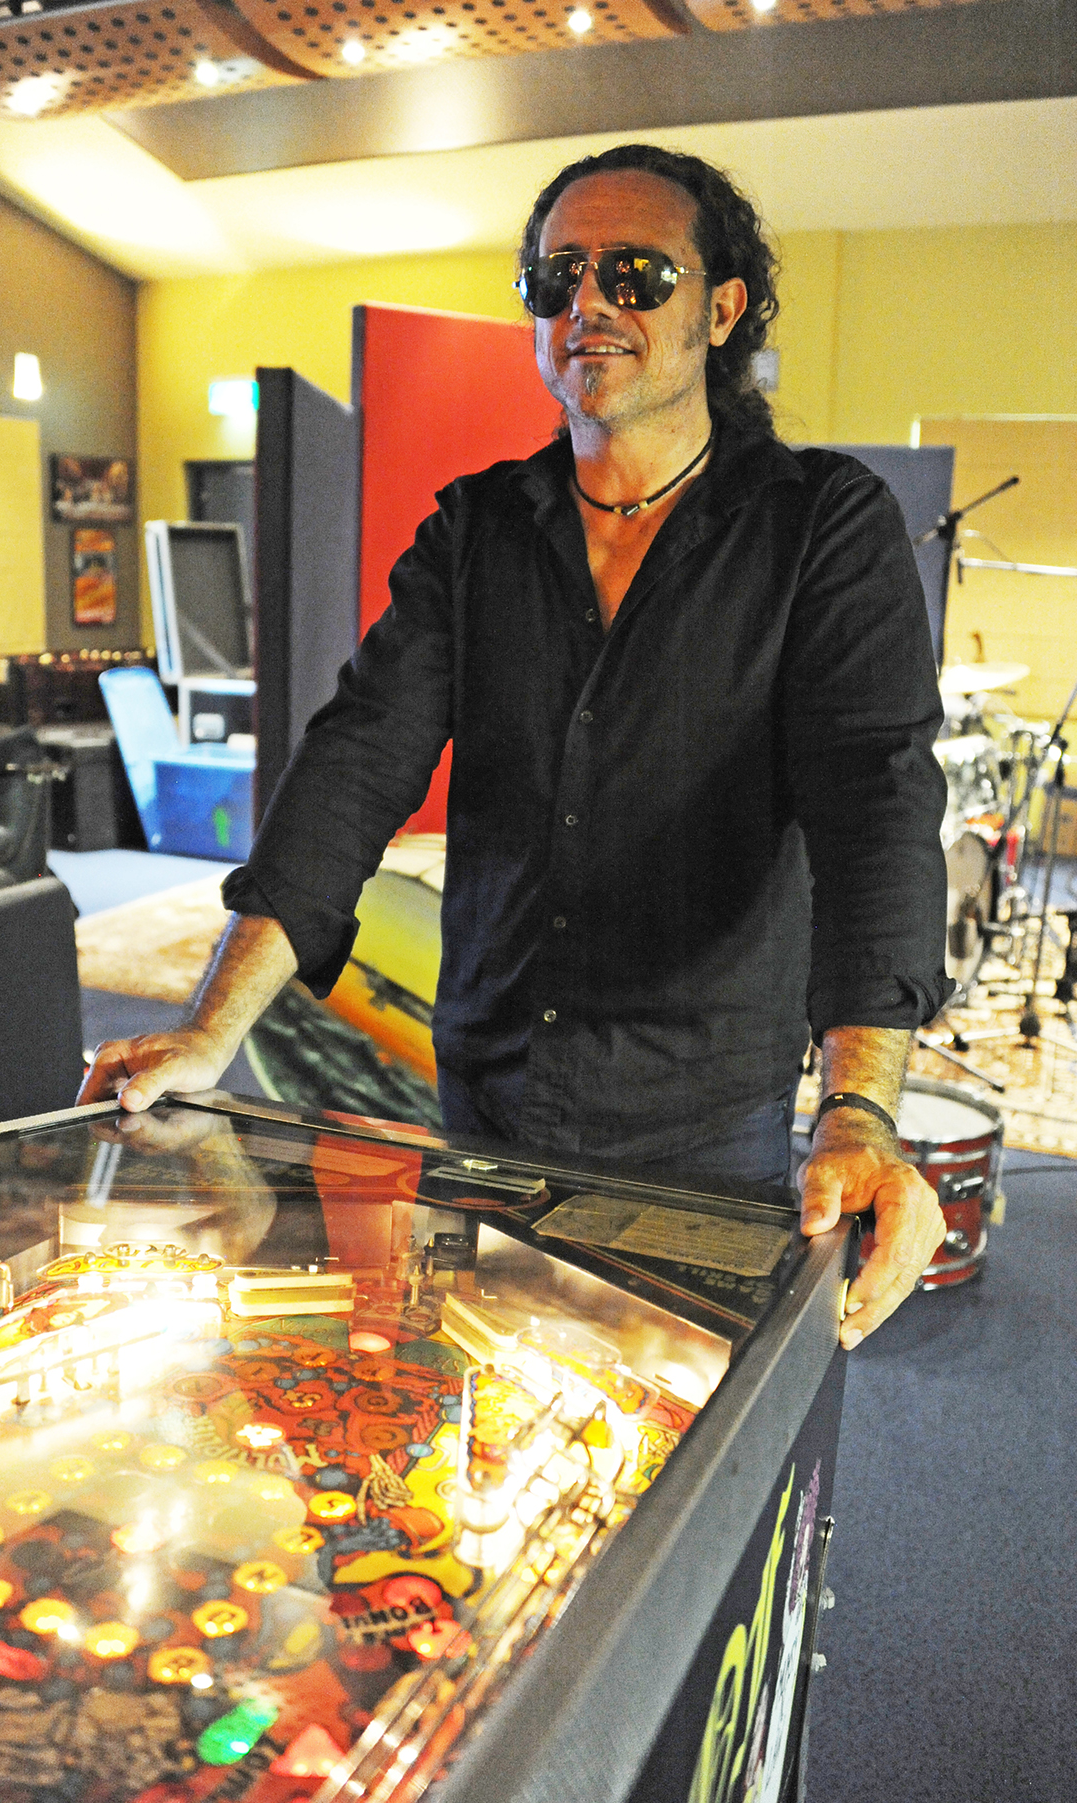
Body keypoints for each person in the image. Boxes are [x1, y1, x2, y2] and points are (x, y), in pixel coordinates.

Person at [80, 144, 950, 1350]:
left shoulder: (821, 525)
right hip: (487, 1088)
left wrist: (859, 1112)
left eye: (636, 273)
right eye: (557, 276)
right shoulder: (477, 527)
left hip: (699, 1120)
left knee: (667, 1413)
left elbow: (876, 804)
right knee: (478, 1404)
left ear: (722, 309)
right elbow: (354, 767)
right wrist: (213, 1026)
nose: (589, 301)